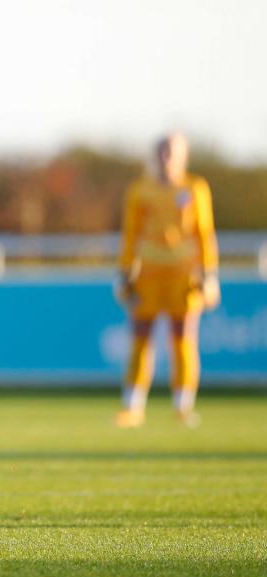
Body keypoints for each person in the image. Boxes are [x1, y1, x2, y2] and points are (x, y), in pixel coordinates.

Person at [113, 133, 220, 428]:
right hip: (148, 273)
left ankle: (183, 406)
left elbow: (204, 233)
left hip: (183, 273)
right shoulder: (139, 191)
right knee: (140, 339)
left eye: (171, 152)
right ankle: (132, 406)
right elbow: (130, 234)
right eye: (161, 152)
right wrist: (125, 272)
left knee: (183, 338)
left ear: (183, 156)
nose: (165, 158)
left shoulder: (195, 188)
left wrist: (209, 273)